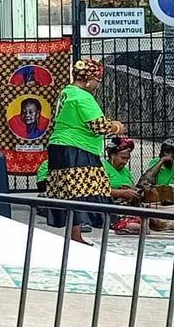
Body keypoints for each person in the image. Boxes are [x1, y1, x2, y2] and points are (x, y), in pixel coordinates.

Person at [46, 59, 125, 244]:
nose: (97, 85)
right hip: (76, 148)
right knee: (85, 190)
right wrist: (116, 127)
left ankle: (75, 234)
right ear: (88, 79)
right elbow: (98, 126)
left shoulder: (66, 93)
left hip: (60, 147)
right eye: (97, 80)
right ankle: (76, 235)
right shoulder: (83, 97)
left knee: (72, 191)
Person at [104, 136, 146, 234]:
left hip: (129, 208)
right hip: (112, 210)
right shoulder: (103, 168)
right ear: (112, 155)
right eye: (122, 158)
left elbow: (132, 188)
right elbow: (100, 191)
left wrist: (137, 193)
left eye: (127, 159)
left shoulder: (126, 172)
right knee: (140, 228)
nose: (125, 162)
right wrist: (122, 193)